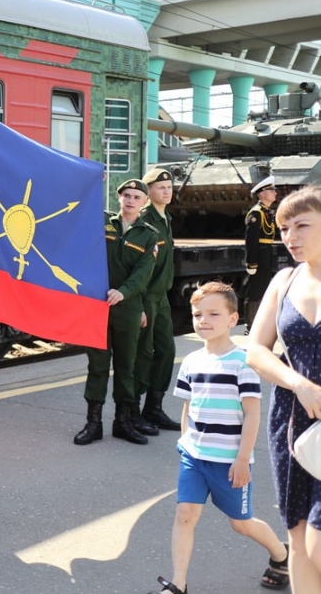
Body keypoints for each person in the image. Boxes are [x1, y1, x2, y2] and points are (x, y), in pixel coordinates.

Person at [148, 282, 288, 594]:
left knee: (240, 524)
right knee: (185, 514)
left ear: (233, 318)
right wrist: (187, 445)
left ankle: (281, 554)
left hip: (229, 462)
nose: (204, 320)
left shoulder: (243, 362)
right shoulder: (191, 361)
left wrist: (242, 460)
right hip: (194, 458)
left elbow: (251, 414)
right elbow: (189, 407)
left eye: (213, 313)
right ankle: (178, 584)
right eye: (198, 314)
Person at [247, 184, 321, 592]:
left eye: (302, 226)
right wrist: (299, 384)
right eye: (284, 227)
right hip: (290, 421)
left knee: (318, 542)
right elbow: (256, 351)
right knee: (295, 533)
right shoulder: (283, 280)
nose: (290, 236)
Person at [74, 179, 157, 446]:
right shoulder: (101, 223)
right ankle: (93, 424)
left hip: (127, 307)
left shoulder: (148, 234)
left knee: (126, 366)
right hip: (97, 306)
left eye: (137, 197)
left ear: (144, 203)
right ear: (119, 197)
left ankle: (123, 422)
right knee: (97, 365)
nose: (131, 201)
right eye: (127, 195)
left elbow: (144, 272)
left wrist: (125, 291)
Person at [133, 168, 180, 434]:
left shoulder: (165, 218)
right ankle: (134, 411)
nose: (167, 191)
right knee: (143, 354)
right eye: (161, 187)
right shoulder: (145, 219)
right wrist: (138, 303)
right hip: (146, 296)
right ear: (148, 191)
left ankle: (154, 407)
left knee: (166, 351)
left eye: (170, 187)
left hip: (161, 296)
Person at [245, 175, 278, 332]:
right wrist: (251, 262)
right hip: (259, 254)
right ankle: (250, 325)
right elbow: (251, 240)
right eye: (272, 191)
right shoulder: (256, 213)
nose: (275, 193)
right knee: (255, 291)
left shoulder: (267, 212)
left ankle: (260, 322)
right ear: (262, 194)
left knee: (264, 289)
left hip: (267, 253)